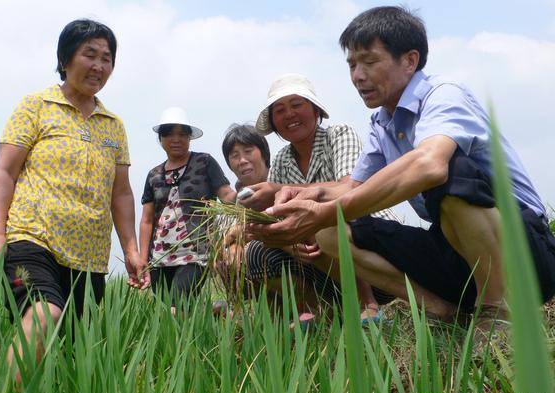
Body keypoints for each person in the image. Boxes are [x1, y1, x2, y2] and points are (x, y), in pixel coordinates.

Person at [248, 6, 555, 341]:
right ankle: (442, 310)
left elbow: (430, 165)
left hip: (523, 252)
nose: (358, 76)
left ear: (409, 60)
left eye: (369, 61)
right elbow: (351, 185)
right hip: (455, 252)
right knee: (328, 231)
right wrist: (297, 197)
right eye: (352, 64)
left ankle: (498, 311)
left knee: (450, 174)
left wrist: (323, 210)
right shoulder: (383, 122)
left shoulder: (444, 93)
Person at [0, 19, 146, 378]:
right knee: (44, 314)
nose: (99, 66)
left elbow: (121, 193)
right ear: (65, 58)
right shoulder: (36, 106)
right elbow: (4, 172)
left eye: (107, 58)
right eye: (90, 54)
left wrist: (131, 249)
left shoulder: (113, 124)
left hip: (88, 258)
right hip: (31, 240)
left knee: (70, 350)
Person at [241, 74, 398, 323]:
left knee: (321, 221)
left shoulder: (339, 135)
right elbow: (280, 216)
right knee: (259, 250)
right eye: (280, 110)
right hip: (321, 264)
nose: (289, 115)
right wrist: (287, 242)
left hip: (371, 253)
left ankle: (366, 305)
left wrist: (280, 190)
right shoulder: (282, 159)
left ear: (315, 110)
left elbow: (350, 187)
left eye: (296, 105)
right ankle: (318, 310)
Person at [137, 107, 236, 313]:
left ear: (190, 138)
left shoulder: (204, 162)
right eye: (170, 134)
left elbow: (226, 194)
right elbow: (147, 219)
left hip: (195, 253)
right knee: (170, 311)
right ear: (161, 139)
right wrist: (143, 258)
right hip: (160, 256)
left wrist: (249, 195)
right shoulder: (154, 175)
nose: (176, 139)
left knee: (177, 304)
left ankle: (209, 316)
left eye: (182, 134)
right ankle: (214, 313)